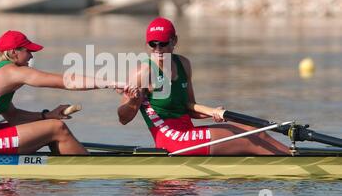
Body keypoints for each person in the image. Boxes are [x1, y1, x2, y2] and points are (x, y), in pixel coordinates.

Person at [117, 17, 290, 155]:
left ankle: (290, 157)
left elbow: (189, 108)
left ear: (174, 41)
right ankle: (295, 162)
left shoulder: (183, 64)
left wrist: (212, 112)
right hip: (172, 139)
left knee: (253, 130)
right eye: (152, 44)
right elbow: (123, 118)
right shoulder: (143, 72)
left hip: (188, 132)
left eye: (163, 43)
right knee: (254, 136)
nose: (158, 49)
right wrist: (134, 101)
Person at [0, 30, 124, 155]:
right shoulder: (11, 72)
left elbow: (14, 117)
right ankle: (90, 172)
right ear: (13, 52)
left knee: (49, 125)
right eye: (28, 51)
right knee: (57, 128)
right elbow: (66, 81)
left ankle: (62, 175)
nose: (31, 57)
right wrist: (111, 83)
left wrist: (47, 115)